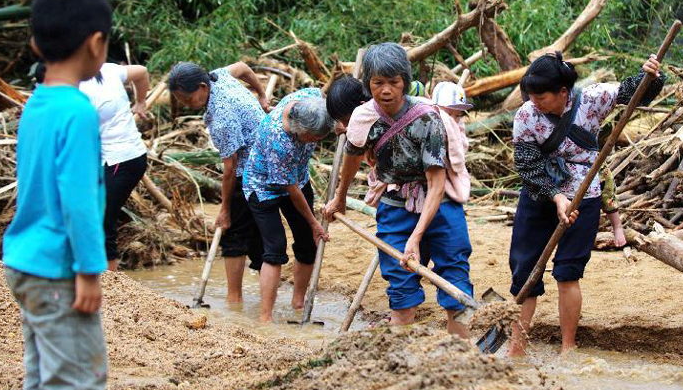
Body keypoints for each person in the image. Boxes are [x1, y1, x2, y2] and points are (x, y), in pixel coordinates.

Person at [2, 0, 110, 390]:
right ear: (96, 43)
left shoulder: (36, 104)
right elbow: (79, 201)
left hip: (25, 260)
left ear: (35, 44)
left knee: (45, 373)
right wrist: (89, 269)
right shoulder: (78, 112)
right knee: (77, 383)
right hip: (57, 270)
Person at [509, 51, 663, 357]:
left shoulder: (593, 98)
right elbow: (527, 165)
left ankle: (568, 348)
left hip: (585, 193)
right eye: (531, 96)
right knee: (525, 271)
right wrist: (555, 196)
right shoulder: (525, 116)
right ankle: (516, 348)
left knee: (568, 272)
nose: (534, 102)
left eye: (542, 97)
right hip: (540, 196)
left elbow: (635, 90)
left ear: (563, 92)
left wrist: (652, 76)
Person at [323, 43, 474, 338]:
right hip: (395, 204)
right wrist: (340, 199)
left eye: (394, 82)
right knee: (401, 287)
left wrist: (416, 237)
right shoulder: (363, 118)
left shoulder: (428, 118)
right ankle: (399, 364)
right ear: (368, 84)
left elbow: (436, 183)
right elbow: (352, 159)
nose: (386, 90)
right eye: (378, 83)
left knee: (455, 282)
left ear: (404, 81)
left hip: (439, 202)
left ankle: (464, 358)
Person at [168, 61, 268, 305]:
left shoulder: (221, 116)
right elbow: (243, 67)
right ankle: (261, 299)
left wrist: (224, 210)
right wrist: (262, 94)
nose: (187, 105)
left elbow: (230, 169)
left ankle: (234, 300)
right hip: (266, 161)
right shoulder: (219, 77)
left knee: (233, 234)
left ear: (202, 87)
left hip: (250, 171)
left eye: (188, 99)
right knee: (258, 236)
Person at [243, 88, 334, 322]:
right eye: (313, 139)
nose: (316, 142)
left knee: (306, 244)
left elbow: (324, 97)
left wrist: (338, 123)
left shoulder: (308, 100)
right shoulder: (280, 141)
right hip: (262, 187)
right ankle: (265, 318)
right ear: (299, 130)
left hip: (296, 178)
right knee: (275, 249)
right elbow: (291, 190)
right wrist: (314, 222)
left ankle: (298, 301)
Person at [79, 63, 150, 271]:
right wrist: (140, 101)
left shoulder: (80, 89)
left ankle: (112, 285)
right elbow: (142, 72)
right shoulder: (108, 69)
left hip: (121, 159)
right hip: (116, 158)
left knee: (101, 220)